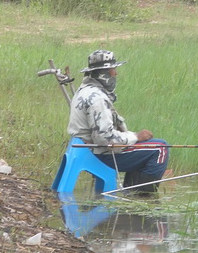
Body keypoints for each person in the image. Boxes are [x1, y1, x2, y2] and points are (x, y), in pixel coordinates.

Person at [67, 49, 169, 194]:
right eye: (113, 69)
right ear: (104, 73)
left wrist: (133, 138)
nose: (116, 73)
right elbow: (105, 138)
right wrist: (136, 137)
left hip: (86, 149)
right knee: (160, 148)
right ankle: (139, 198)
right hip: (100, 154)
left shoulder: (84, 91)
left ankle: (131, 193)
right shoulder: (97, 98)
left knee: (146, 147)